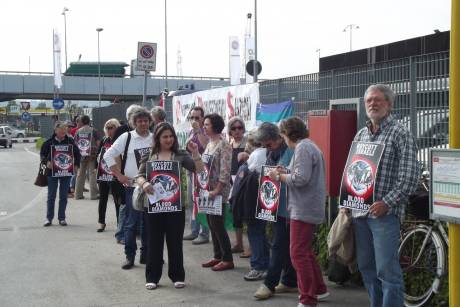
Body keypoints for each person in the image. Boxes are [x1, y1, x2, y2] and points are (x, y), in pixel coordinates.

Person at [343, 84, 419, 307]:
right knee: (367, 267)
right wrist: (346, 200)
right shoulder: (362, 134)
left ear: (389, 104)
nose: (373, 104)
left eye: (378, 100)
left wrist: (386, 203)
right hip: (360, 213)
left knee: (388, 271)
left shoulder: (400, 133)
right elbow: (352, 171)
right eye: (369, 100)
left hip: (384, 216)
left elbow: (410, 178)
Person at [268, 116, 329, 307]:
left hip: (303, 208)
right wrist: (285, 170)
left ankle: (308, 298)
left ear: (288, 134)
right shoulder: (308, 146)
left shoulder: (302, 148)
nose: (283, 139)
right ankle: (319, 289)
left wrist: (279, 176)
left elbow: (300, 179)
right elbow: (300, 174)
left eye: (283, 135)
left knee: (297, 254)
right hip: (308, 206)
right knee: (305, 252)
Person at [136, 122, 196, 290]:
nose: (169, 139)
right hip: (154, 207)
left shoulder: (180, 154)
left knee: (175, 242)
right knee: (154, 242)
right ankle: (152, 277)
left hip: (175, 207)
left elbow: (198, 169)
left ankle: (177, 275)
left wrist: (196, 153)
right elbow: (139, 176)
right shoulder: (149, 154)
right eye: (165, 137)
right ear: (157, 138)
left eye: (171, 136)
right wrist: (145, 184)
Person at [104, 107, 153, 269]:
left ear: (149, 122)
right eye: (139, 121)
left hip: (152, 188)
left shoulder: (155, 138)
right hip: (132, 187)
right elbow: (107, 155)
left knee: (149, 224)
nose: (143, 123)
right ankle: (129, 256)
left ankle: (146, 255)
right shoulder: (127, 137)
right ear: (134, 123)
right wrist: (119, 175)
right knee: (131, 223)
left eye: (145, 120)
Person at [253, 123, 298, 297]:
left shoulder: (293, 151)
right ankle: (289, 280)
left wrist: (279, 176)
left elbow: (297, 177)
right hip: (276, 206)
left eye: (269, 144)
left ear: (280, 138)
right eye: (264, 145)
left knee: (279, 245)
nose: (266, 148)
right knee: (284, 244)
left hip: (290, 207)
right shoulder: (273, 152)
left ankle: (269, 284)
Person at [188, 113, 234, 271]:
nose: (203, 127)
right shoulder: (209, 143)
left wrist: (217, 190)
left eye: (206, 124)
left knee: (217, 224)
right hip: (207, 189)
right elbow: (204, 167)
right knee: (211, 222)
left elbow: (225, 171)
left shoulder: (224, 145)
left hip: (218, 190)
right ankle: (217, 255)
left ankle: (227, 258)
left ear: (215, 126)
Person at [112, 104, 143, 244]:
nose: (141, 121)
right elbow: (114, 154)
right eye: (136, 116)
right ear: (130, 117)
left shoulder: (147, 133)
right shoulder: (123, 132)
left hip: (141, 180)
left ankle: (135, 233)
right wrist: (120, 174)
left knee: (137, 207)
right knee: (125, 206)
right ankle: (121, 234)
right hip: (125, 178)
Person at [40, 121, 81, 226]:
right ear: (55, 130)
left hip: (66, 172)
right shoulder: (48, 142)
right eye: (61, 129)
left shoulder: (70, 141)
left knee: (63, 196)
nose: (64, 131)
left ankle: (62, 218)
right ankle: (49, 218)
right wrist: (46, 162)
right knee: (51, 196)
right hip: (52, 173)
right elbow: (42, 155)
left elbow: (77, 154)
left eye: (65, 129)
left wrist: (76, 165)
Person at [183, 106, 210, 245]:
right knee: (192, 200)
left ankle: (204, 233)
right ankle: (194, 230)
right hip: (191, 170)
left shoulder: (206, 131)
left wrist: (198, 130)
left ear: (203, 118)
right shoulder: (190, 131)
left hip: (202, 171)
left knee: (201, 202)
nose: (194, 120)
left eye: (197, 118)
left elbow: (206, 146)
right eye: (191, 117)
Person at [96, 118, 121, 232]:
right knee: (103, 199)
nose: (109, 130)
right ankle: (101, 222)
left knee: (117, 200)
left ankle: (119, 223)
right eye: (107, 128)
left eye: (112, 127)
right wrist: (96, 167)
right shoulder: (104, 140)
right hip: (103, 173)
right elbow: (99, 154)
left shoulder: (120, 140)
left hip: (115, 174)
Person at [227, 117, 247, 255]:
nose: (237, 131)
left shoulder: (248, 144)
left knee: (248, 215)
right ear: (230, 131)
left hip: (245, 182)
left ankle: (251, 247)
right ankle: (238, 244)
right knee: (235, 214)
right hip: (232, 182)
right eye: (234, 128)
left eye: (240, 128)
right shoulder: (229, 145)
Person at [74, 115, 101, 200]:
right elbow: (98, 144)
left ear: (81, 122)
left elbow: (75, 144)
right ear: (89, 121)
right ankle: (93, 195)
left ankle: (78, 194)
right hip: (92, 156)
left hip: (81, 155)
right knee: (92, 174)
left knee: (80, 174)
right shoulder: (94, 131)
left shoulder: (78, 131)